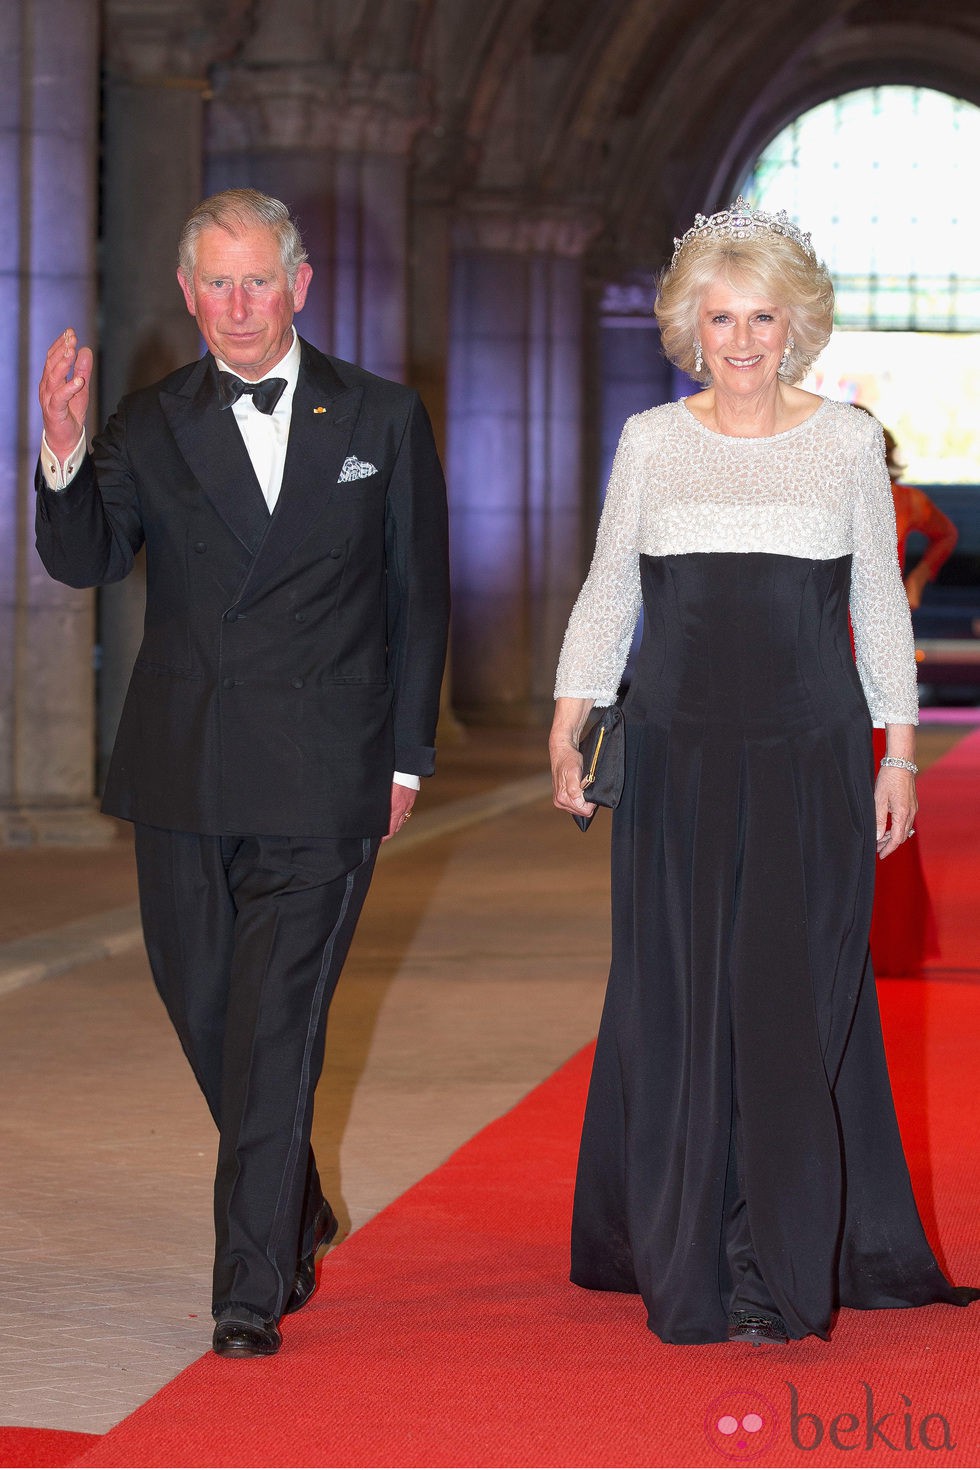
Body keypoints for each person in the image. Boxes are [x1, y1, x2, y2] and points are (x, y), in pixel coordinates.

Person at [549, 198, 978, 1345]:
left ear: (797, 325)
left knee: (788, 1000)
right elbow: (609, 589)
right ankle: (687, 1239)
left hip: (808, 753)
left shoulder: (843, 442)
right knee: (680, 998)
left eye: (761, 317)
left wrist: (898, 751)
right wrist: (566, 721)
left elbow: (877, 607)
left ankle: (769, 1261)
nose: (740, 339)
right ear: (689, 323)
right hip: (677, 754)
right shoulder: (650, 439)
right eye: (719, 316)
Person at [35, 189, 450, 1359]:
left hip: (327, 774)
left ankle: (249, 1286)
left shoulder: (378, 414)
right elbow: (84, 557)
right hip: (186, 770)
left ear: (300, 285)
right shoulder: (151, 421)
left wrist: (407, 755)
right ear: (185, 294)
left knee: (274, 1027)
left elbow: (419, 602)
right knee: (207, 1009)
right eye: (214, 283)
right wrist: (63, 451)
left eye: (256, 280)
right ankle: (296, 1202)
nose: (236, 305)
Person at [854, 408, 958, 976]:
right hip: (821, 637)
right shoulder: (822, 493)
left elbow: (947, 535)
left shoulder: (908, 501)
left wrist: (916, 579)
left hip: (876, 638)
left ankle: (886, 940)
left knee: (883, 781)